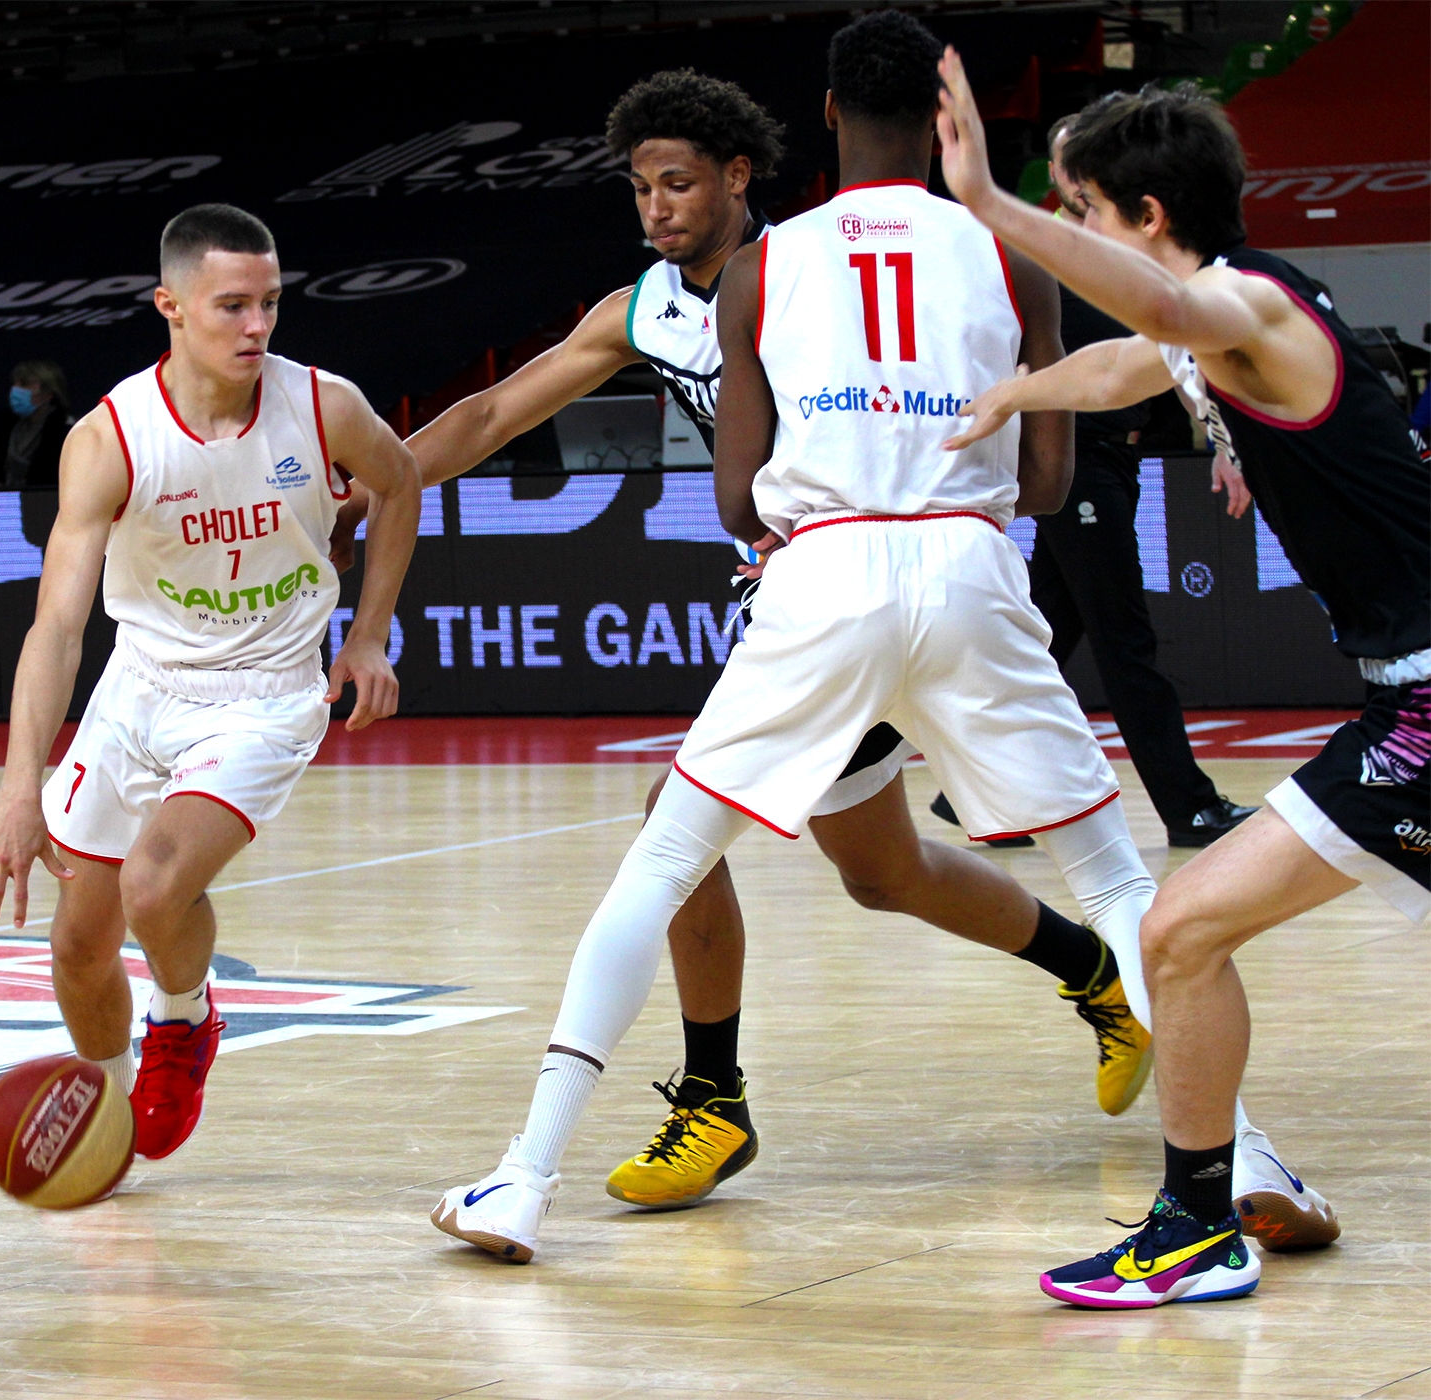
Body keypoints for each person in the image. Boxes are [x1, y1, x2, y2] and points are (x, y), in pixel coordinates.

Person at [430, 12, 1328, 1266]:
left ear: (832, 116)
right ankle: (1254, 1156)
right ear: (940, 122)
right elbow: (1055, 479)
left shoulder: (764, 266)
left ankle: (522, 1179)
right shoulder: (1011, 252)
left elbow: (739, 497)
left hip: (826, 569)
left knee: (665, 859)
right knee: (1122, 882)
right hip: (970, 564)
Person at [336, 69, 1151, 1220]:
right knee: (883, 872)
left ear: (736, 177)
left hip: (871, 573)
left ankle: (712, 1098)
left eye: (677, 182)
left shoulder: (815, 267)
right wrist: (372, 480)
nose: (657, 207)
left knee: (680, 835)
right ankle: (1102, 975)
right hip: (817, 598)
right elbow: (491, 414)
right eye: (639, 187)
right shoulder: (647, 307)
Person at [934, 64, 1428, 1307]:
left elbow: (1159, 308)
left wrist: (991, 201)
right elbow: (1121, 367)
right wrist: (1014, 391)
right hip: (1408, 693)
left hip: (1426, 707)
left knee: (1180, 928)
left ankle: (1197, 1224)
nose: (1082, 235)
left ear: (1148, 215)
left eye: (1088, 210)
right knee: (1184, 929)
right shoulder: (1224, 318)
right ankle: (1215, 1210)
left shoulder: (1246, 301)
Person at [0, 204, 421, 1163]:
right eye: (233, 306)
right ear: (170, 305)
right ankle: (105, 1118)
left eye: (272, 304)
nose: (258, 326)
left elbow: (403, 478)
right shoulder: (110, 438)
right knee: (79, 946)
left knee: (156, 890)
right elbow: (57, 627)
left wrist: (368, 638)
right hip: (140, 688)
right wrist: (16, 793)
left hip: (265, 690)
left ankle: (184, 1016)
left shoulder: (321, 405)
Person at [927, 119, 1257, 850]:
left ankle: (969, 794)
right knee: (1125, 643)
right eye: (1069, 153)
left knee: (1041, 640)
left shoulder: (1126, 249)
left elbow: (1170, 350)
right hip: (1077, 465)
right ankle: (1188, 807)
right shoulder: (1043, 251)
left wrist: (1225, 442)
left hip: (1117, 459)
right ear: (1056, 169)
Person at [0, 360, 73, 490]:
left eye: (24, 384)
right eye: (15, 384)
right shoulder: (8, 424)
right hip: (9, 501)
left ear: (48, 394)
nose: (15, 389)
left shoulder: (65, 429)